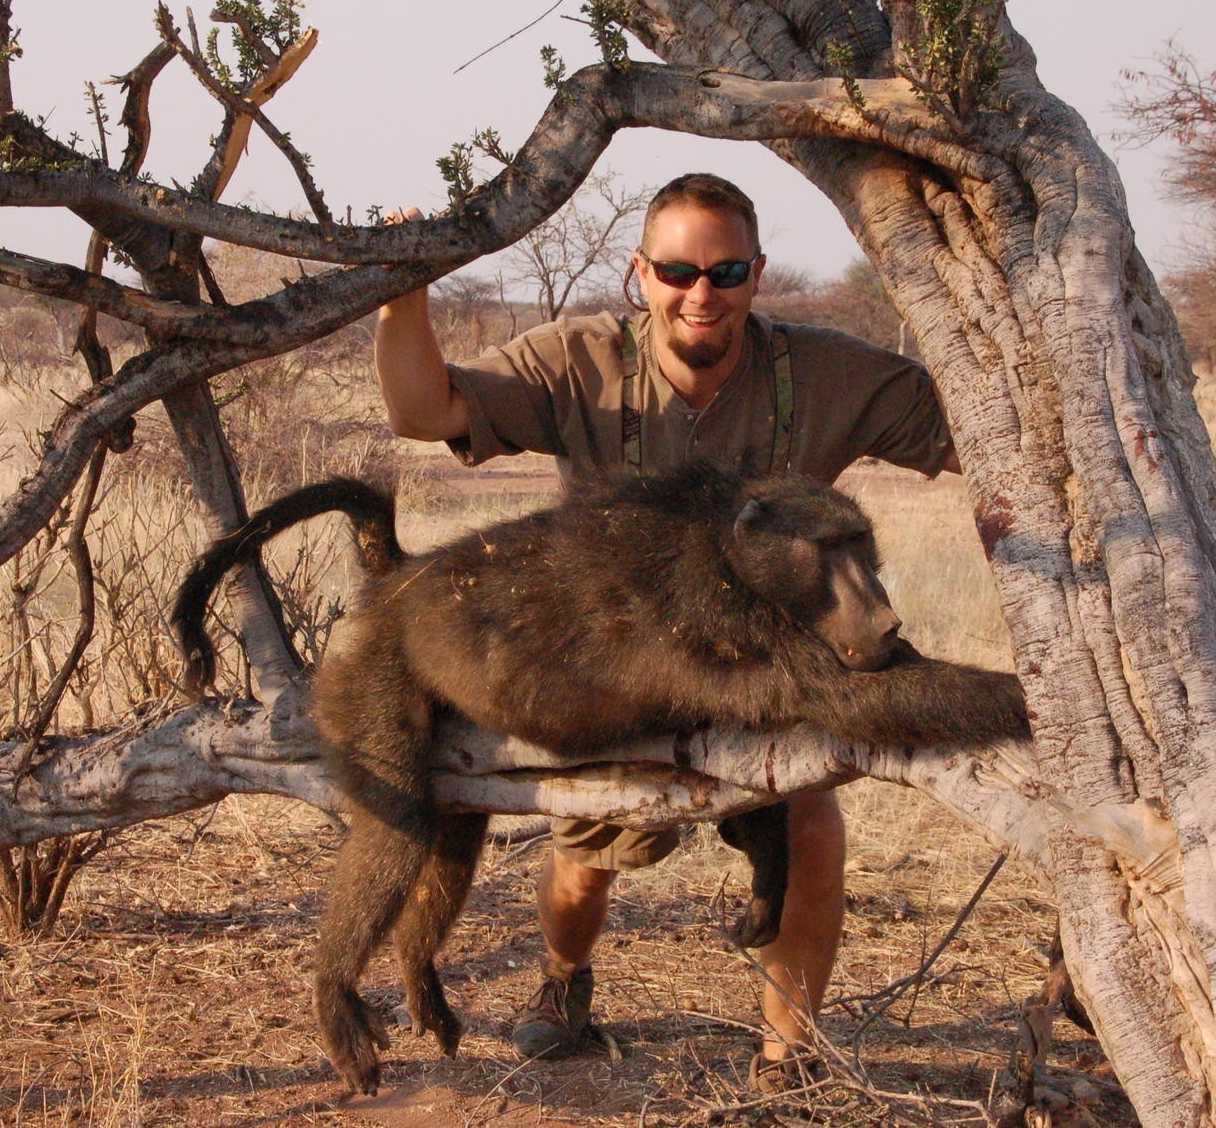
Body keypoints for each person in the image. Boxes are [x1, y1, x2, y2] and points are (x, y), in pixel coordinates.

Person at [372, 172, 958, 1088]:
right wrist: (401, 292)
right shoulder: (580, 359)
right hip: (619, 676)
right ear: (641, 271)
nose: (701, 293)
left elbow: (976, 428)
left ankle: (785, 1061)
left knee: (814, 826)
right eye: (679, 270)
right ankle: (563, 984)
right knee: (586, 863)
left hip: (769, 676)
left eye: (725, 272)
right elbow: (423, 410)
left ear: (757, 275)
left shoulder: (826, 372)